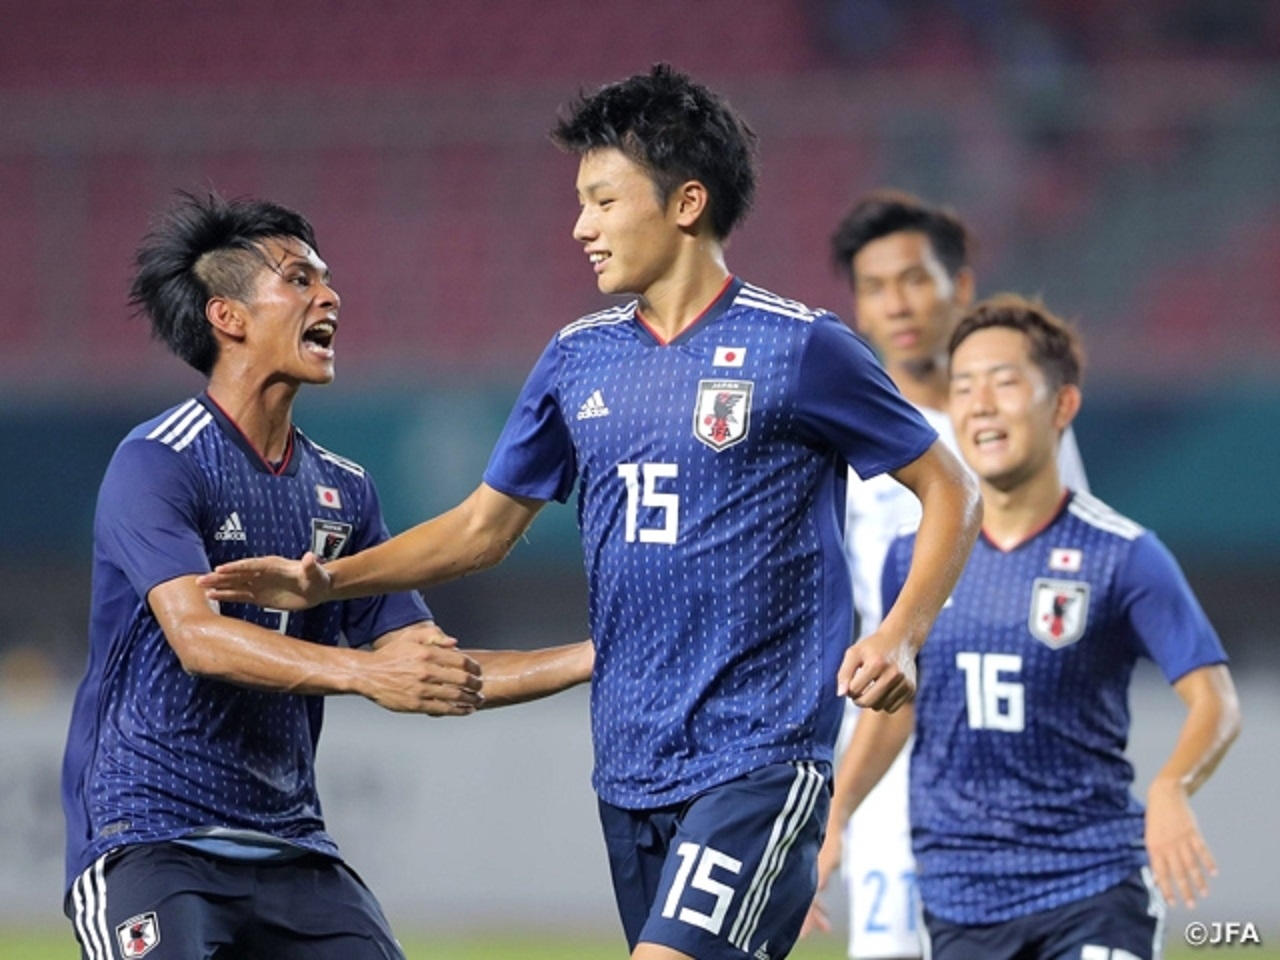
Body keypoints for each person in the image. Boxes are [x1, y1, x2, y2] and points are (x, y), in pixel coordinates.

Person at [199, 65, 983, 960]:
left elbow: (949, 488)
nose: (581, 227)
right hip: (630, 769)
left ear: (686, 203)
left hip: (760, 760)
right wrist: (326, 583)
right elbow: (480, 532)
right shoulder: (577, 360)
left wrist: (902, 635)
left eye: (603, 201)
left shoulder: (802, 348)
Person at [61, 191, 593, 960]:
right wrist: (362, 674)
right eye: (299, 279)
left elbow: (432, 670)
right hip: (149, 837)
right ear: (229, 317)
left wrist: (595, 657)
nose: (330, 295)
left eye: (327, 279)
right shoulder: (158, 461)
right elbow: (199, 639)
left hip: (291, 848)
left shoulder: (343, 491)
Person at [819, 294, 1240, 959]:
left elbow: (1215, 699)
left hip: (1093, 886)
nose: (980, 403)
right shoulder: (915, 555)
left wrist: (1170, 786)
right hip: (960, 897)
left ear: (1062, 406)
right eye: (964, 387)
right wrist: (836, 814)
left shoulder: (1123, 554)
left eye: (1005, 381)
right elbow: (896, 706)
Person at [810, 191, 1090, 959]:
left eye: (914, 279)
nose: (896, 303)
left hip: (1019, 748)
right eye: (874, 286)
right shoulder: (842, 436)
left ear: (961, 288)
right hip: (890, 742)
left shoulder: (1026, 428)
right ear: (859, 309)